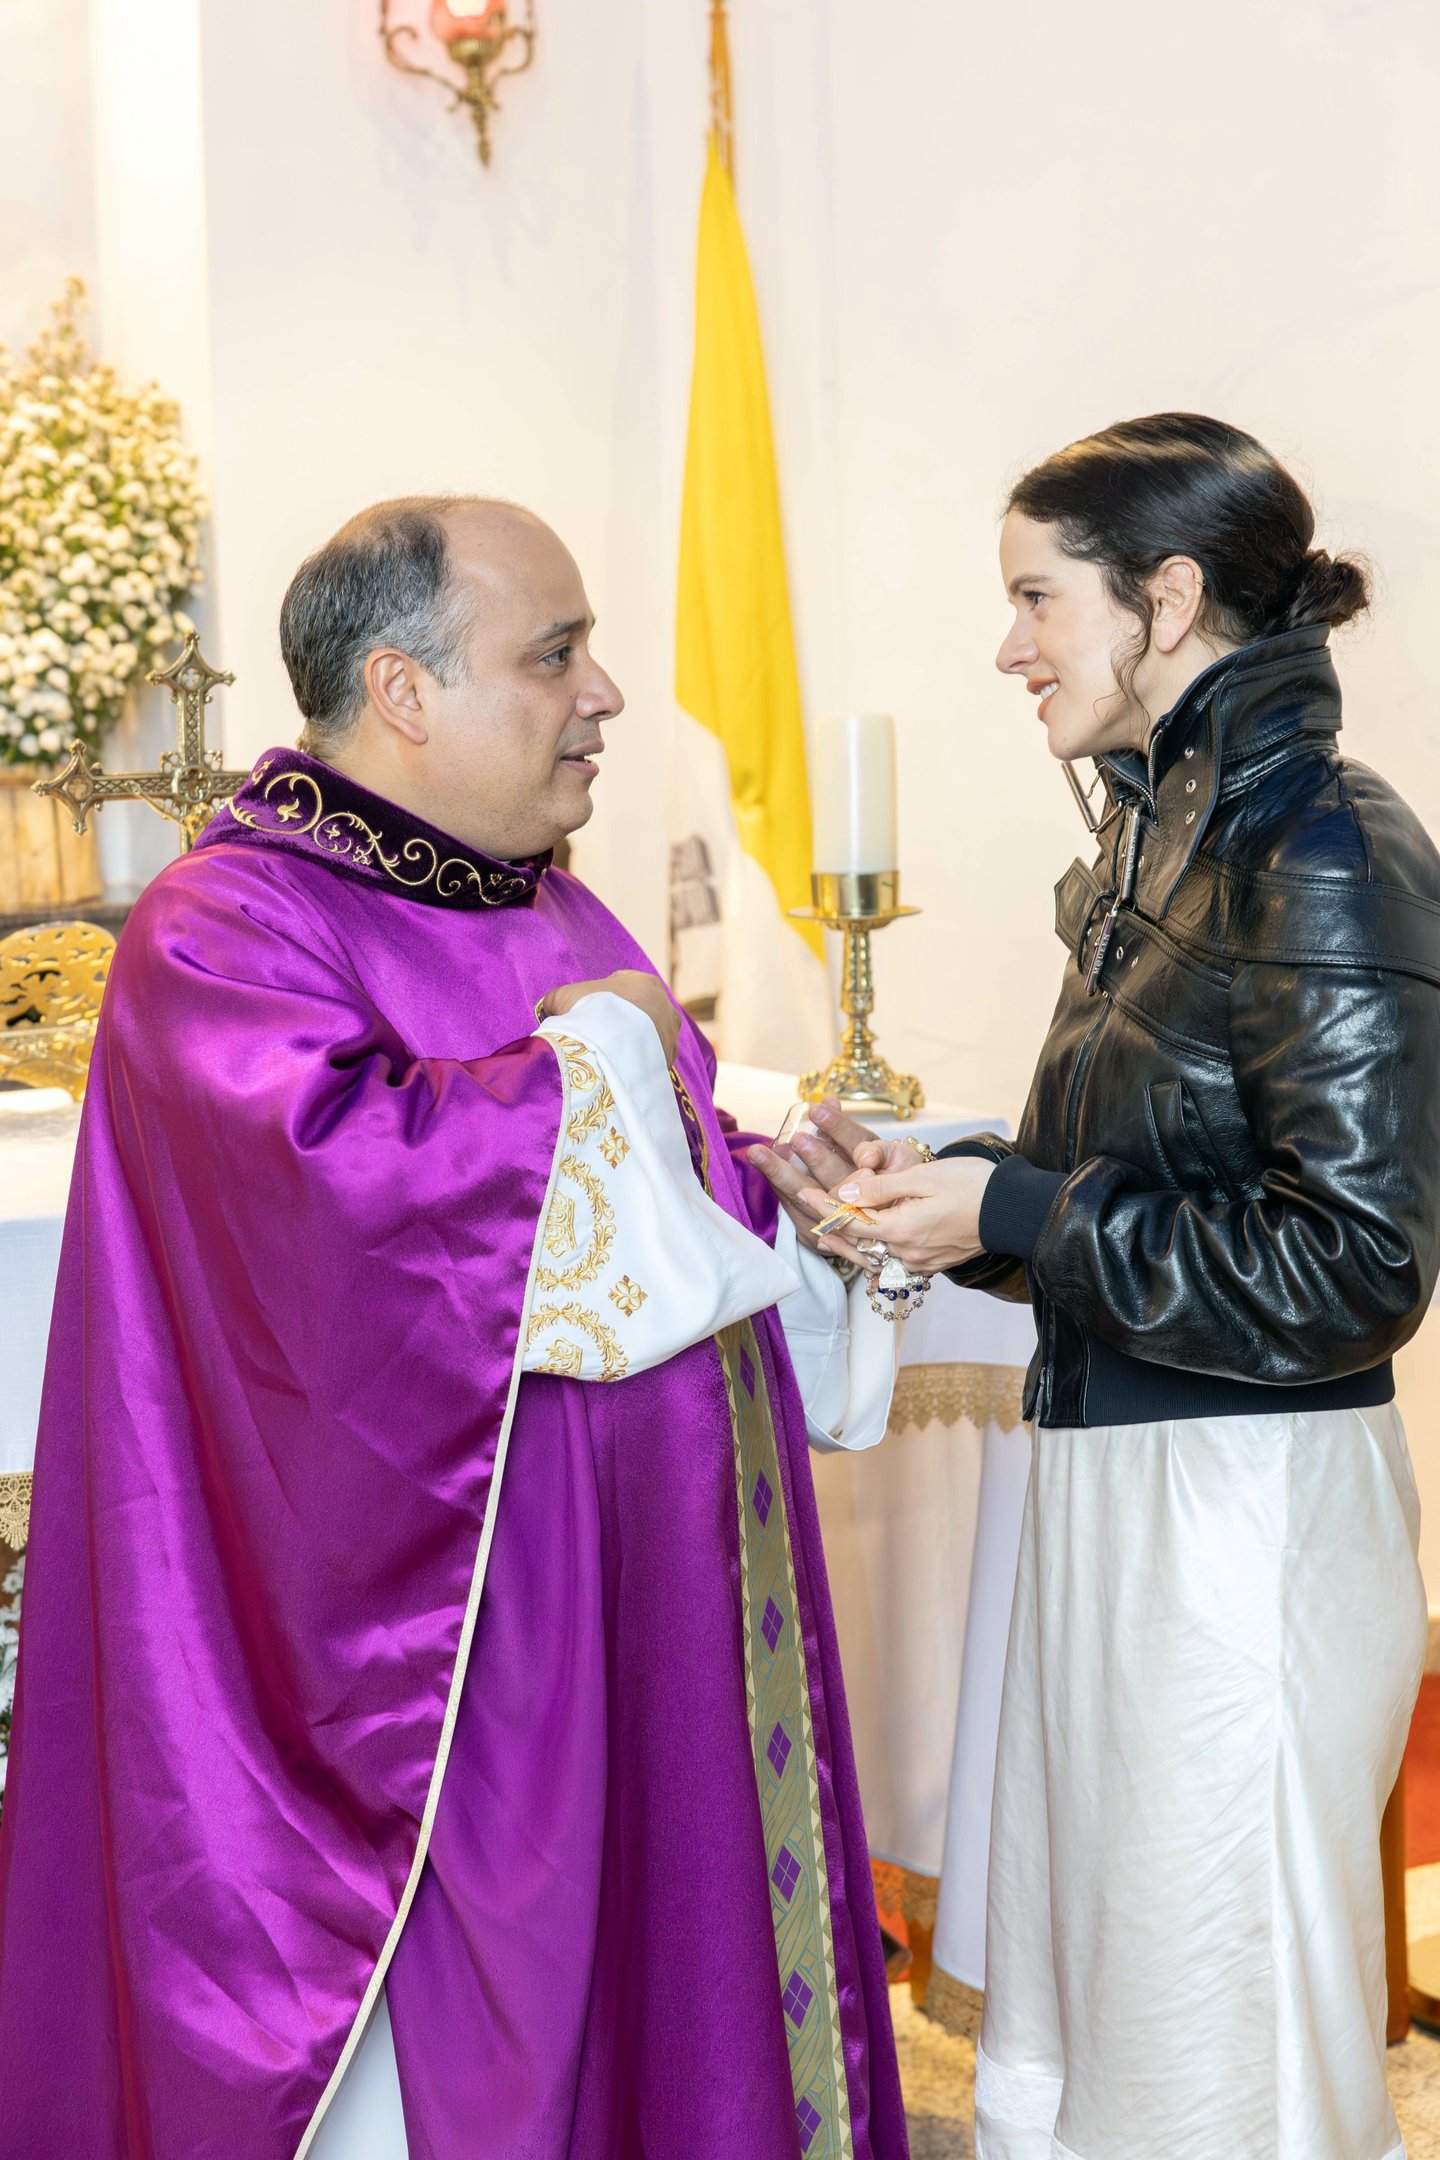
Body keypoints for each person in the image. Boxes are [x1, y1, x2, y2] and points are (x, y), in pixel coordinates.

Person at [0, 497, 910, 2160]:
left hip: (658, 1623)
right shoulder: (231, 932)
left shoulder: (552, 910)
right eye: (554, 654)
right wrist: (603, 1073)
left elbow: (668, 1212)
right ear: (402, 692)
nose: (605, 694)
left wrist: (796, 1195)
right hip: (450, 1689)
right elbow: (339, 1224)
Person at [761, 415, 1440, 2160]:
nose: (1010, 644)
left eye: (1037, 598)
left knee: (1226, 2045)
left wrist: (1026, 1209)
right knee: (1119, 2006)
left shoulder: (1323, 847)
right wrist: (939, 1206)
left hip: (1239, 1513)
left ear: (1172, 593)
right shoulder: (1167, 836)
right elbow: (1137, 1190)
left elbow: (1350, 1269)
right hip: (1123, 1487)